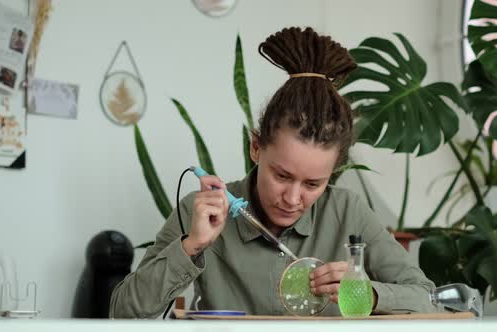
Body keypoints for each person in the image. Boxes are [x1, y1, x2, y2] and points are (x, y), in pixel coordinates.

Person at [110, 27, 438, 318]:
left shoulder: (348, 212)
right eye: (281, 176)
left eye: (313, 183)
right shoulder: (201, 211)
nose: (293, 198)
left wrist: (369, 293)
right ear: (256, 147)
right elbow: (123, 312)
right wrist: (191, 245)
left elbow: (425, 296)